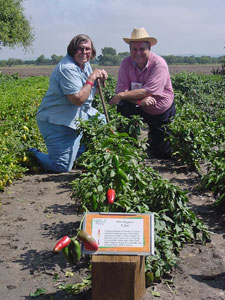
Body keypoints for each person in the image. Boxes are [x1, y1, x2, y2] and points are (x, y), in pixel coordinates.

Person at [29, 34, 108, 172]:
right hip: (57, 122)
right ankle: (32, 152)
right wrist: (91, 77)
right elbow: (78, 99)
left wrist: (99, 80)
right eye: (80, 49)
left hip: (76, 117)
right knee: (61, 167)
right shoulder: (67, 68)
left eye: (88, 49)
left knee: (101, 122)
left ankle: (77, 150)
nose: (84, 52)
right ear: (72, 50)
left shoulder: (85, 65)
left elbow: (88, 93)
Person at [109, 28, 175, 159]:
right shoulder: (126, 63)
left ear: (149, 49)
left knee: (162, 153)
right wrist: (139, 102)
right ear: (130, 50)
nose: (138, 53)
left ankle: (154, 140)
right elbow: (123, 90)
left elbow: (148, 91)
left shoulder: (159, 64)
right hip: (138, 104)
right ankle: (128, 143)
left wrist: (121, 95)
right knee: (122, 107)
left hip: (159, 108)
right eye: (134, 49)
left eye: (142, 49)